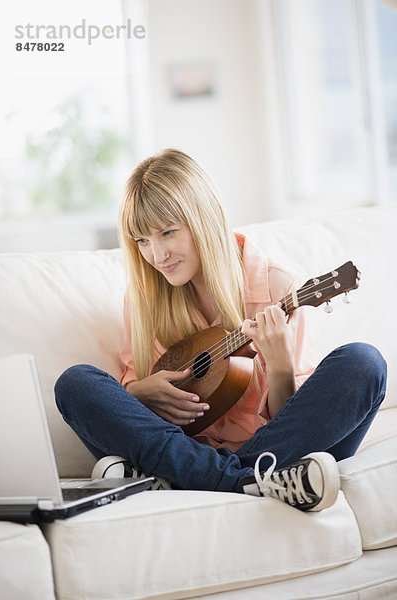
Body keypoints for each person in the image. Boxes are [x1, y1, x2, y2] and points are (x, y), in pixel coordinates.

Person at [55, 148, 387, 512]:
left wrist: (278, 366)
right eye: (143, 241)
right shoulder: (145, 300)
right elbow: (126, 408)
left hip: (270, 450)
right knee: (76, 384)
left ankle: (197, 481)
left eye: (167, 232)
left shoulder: (277, 287)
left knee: (363, 363)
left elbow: (296, 422)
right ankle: (246, 483)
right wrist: (139, 391)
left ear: (203, 219)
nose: (157, 255)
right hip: (202, 453)